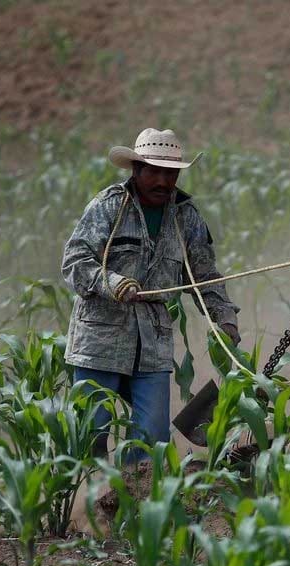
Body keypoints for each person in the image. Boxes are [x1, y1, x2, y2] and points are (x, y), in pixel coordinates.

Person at [61, 127, 240, 467]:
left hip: (152, 343)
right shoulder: (108, 207)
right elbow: (74, 262)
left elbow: (203, 275)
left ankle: (136, 510)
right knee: (89, 434)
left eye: (169, 173)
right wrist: (112, 283)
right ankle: (80, 512)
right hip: (99, 338)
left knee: (151, 439)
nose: (162, 181)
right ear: (136, 170)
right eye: (154, 172)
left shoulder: (186, 215)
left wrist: (224, 316)